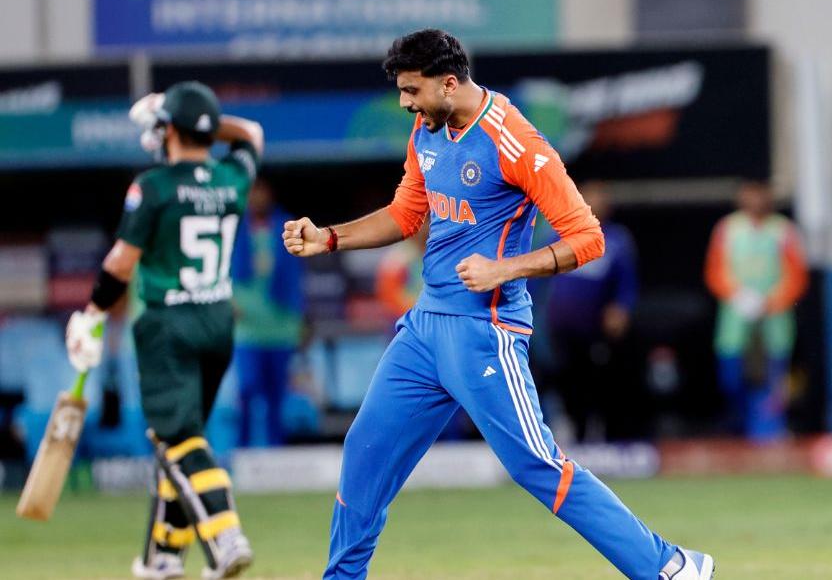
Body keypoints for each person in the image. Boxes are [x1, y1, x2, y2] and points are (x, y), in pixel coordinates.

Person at [281, 29, 713, 580]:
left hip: (484, 332)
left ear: (449, 83)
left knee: (537, 465)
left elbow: (588, 238)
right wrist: (329, 238)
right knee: (365, 452)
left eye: (412, 90)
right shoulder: (427, 128)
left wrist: (504, 269)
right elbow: (406, 214)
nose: (405, 103)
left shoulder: (516, 141)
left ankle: (669, 566)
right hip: (424, 329)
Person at [65, 82, 263, 579]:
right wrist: (191, 118)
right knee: (179, 444)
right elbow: (251, 134)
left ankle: (225, 534)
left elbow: (121, 262)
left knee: (177, 436)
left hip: (167, 326)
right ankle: (163, 557)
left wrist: (91, 314)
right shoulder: (232, 177)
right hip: (216, 324)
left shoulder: (153, 185)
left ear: (170, 129)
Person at [704, 180, 808, 440]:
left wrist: (770, 302)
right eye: (750, 194)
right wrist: (738, 295)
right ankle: (740, 427)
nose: (755, 200)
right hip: (736, 321)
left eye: (760, 194)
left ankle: (768, 431)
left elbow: (796, 276)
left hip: (773, 321)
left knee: (772, 381)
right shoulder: (727, 229)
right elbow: (715, 271)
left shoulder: (783, 231)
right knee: (731, 379)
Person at [544, 181, 639, 442]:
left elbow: (627, 283)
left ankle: (603, 436)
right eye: (590, 197)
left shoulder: (617, 240)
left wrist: (621, 308)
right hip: (561, 325)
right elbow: (534, 275)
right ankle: (573, 431)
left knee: (599, 381)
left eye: (601, 199)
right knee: (565, 380)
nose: (596, 203)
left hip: (595, 327)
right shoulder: (560, 233)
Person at [231, 180, 306, 447]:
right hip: (247, 329)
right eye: (252, 193)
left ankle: (275, 451)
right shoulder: (234, 230)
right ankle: (242, 450)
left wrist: (299, 321)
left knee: (277, 396)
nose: (257, 198)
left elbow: (296, 280)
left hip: (281, 327)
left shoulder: (287, 228)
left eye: (261, 192)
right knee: (246, 390)